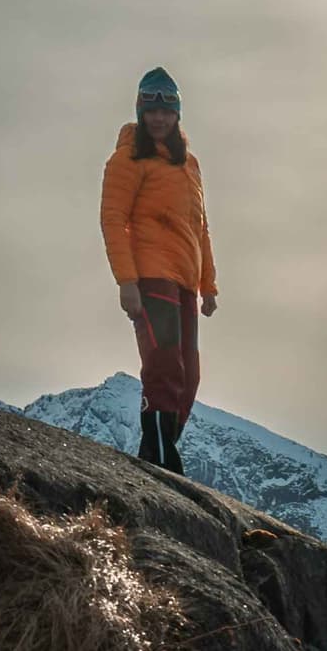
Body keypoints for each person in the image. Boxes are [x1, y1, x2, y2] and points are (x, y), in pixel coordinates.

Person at [99, 69, 218, 472]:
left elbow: (200, 227)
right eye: (151, 110)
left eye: (167, 111)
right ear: (141, 112)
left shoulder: (189, 165)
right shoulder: (128, 158)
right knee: (164, 366)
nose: (159, 118)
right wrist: (126, 282)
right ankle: (164, 458)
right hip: (150, 275)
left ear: (177, 114)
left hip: (185, 281)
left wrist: (208, 286)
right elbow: (113, 219)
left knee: (189, 377)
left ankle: (153, 457)